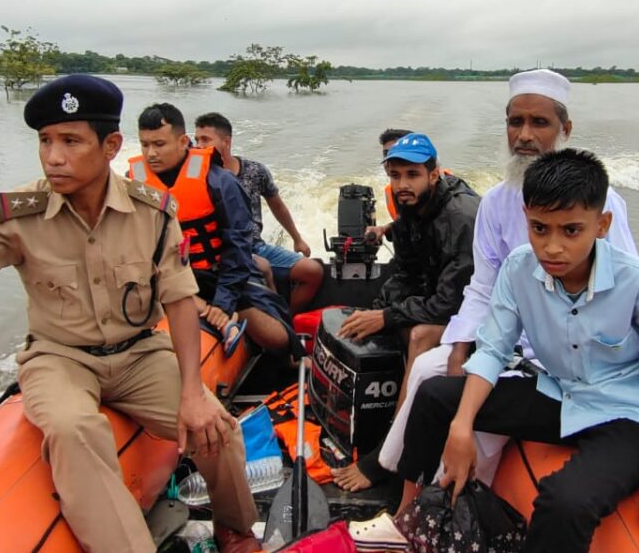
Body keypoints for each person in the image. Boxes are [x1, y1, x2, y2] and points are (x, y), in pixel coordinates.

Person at [0, 75, 259, 553]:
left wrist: (192, 392)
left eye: (70, 141)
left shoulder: (152, 213)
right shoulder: (18, 215)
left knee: (218, 430)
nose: (53, 157)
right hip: (60, 358)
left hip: (140, 354)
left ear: (110, 146)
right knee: (74, 431)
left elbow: (178, 299)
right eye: (45, 141)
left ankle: (236, 530)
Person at [394, 149, 639, 552]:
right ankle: (406, 519)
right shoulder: (518, 268)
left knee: (565, 504)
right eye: (539, 228)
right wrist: (461, 426)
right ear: (525, 217)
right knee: (434, 395)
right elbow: (492, 349)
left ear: (602, 225)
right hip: (561, 393)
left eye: (571, 231)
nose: (552, 247)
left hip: (628, 415)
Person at [378, 68, 638, 482]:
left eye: (539, 123)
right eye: (515, 122)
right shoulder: (497, 203)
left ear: (565, 129)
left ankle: (458, 497)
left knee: (478, 422)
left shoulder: (600, 205)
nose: (524, 135)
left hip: (573, 359)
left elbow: (623, 294)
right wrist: (461, 347)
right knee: (428, 367)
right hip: (502, 340)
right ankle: (394, 477)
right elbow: (483, 286)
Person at [332, 133, 480, 491]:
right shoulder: (412, 207)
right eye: (395, 175)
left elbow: (450, 303)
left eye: (412, 175)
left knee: (419, 335)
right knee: (374, 321)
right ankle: (378, 416)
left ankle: (391, 454)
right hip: (445, 300)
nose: (402, 185)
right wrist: (379, 310)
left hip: (478, 312)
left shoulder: (461, 217)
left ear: (434, 174)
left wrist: (387, 317)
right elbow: (406, 273)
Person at [129, 103, 295, 356]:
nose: (151, 153)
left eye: (159, 144)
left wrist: (223, 303)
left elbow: (238, 246)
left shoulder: (220, 181)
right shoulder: (134, 184)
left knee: (278, 339)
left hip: (216, 277)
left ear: (183, 141)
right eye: (145, 145)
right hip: (162, 281)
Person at [193, 112, 324, 313]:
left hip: (256, 245)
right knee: (262, 268)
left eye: (205, 140)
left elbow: (277, 206)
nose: (199, 146)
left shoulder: (254, 171)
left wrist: (297, 239)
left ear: (226, 142)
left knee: (313, 271)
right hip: (222, 252)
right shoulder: (194, 177)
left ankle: (286, 317)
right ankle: (272, 317)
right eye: (197, 140)